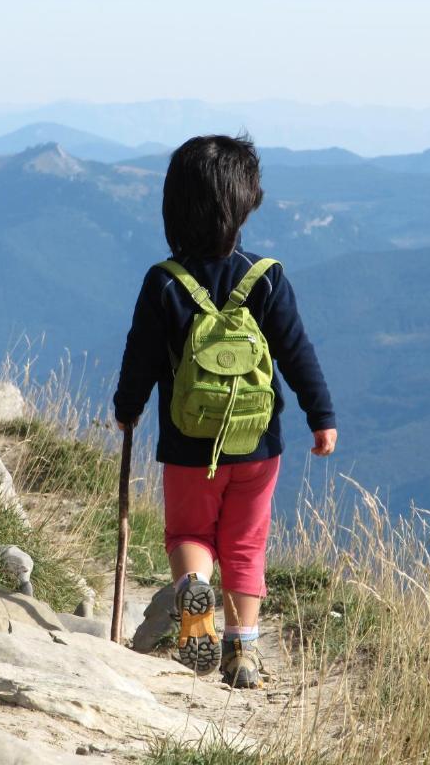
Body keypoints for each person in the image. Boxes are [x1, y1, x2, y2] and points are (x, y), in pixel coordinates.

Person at [113, 134, 337, 689]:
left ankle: (195, 607)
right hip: (257, 444)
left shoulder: (164, 281)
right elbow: (296, 351)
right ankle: (243, 653)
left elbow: (139, 355)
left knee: (190, 532)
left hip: (189, 445)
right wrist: (321, 415)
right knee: (245, 542)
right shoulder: (265, 277)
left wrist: (128, 407)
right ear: (244, 206)